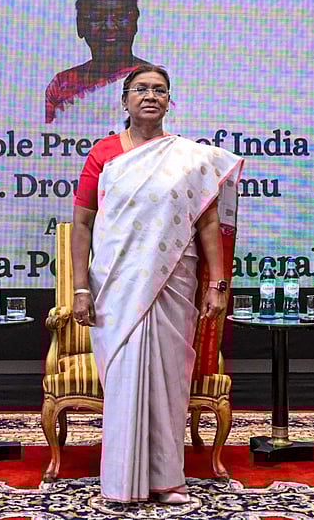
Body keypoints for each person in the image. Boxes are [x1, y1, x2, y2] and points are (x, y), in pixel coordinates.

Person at [70, 64, 243, 503]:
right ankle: (120, 481)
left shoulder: (188, 157)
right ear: (125, 100)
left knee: (168, 380)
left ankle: (168, 479)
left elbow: (207, 223)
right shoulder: (103, 153)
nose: (151, 96)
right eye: (141, 89)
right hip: (116, 283)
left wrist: (217, 283)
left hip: (173, 281)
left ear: (169, 100)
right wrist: (79, 287)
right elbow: (82, 223)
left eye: (160, 90)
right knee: (126, 377)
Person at [45, 0, 150, 128]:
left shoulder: (157, 81)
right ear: (80, 25)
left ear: (134, 22)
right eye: (97, 18)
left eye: (120, 17)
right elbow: (46, 144)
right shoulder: (62, 84)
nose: (109, 26)